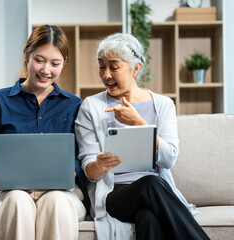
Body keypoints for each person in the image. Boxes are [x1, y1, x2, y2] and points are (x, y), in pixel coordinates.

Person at [74, 33, 210, 240]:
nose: (106, 75)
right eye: (102, 67)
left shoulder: (163, 105)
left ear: (135, 68)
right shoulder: (91, 107)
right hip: (114, 195)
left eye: (114, 66)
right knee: (150, 183)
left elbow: (169, 158)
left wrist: (140, 124)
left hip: (155, 192)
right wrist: (99, 166)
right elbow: (90, 170)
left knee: (149, 218)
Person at [0, 25, 86, 240]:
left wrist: (66, 175)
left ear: (64, 63)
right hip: (7, 192)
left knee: (57, 202)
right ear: (26, 55)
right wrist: (4, 181)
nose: (46, 70)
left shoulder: (74, 105)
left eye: (55, 63)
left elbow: (81, 157)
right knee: (17, 200)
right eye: (39, 60)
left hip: (62, 193)